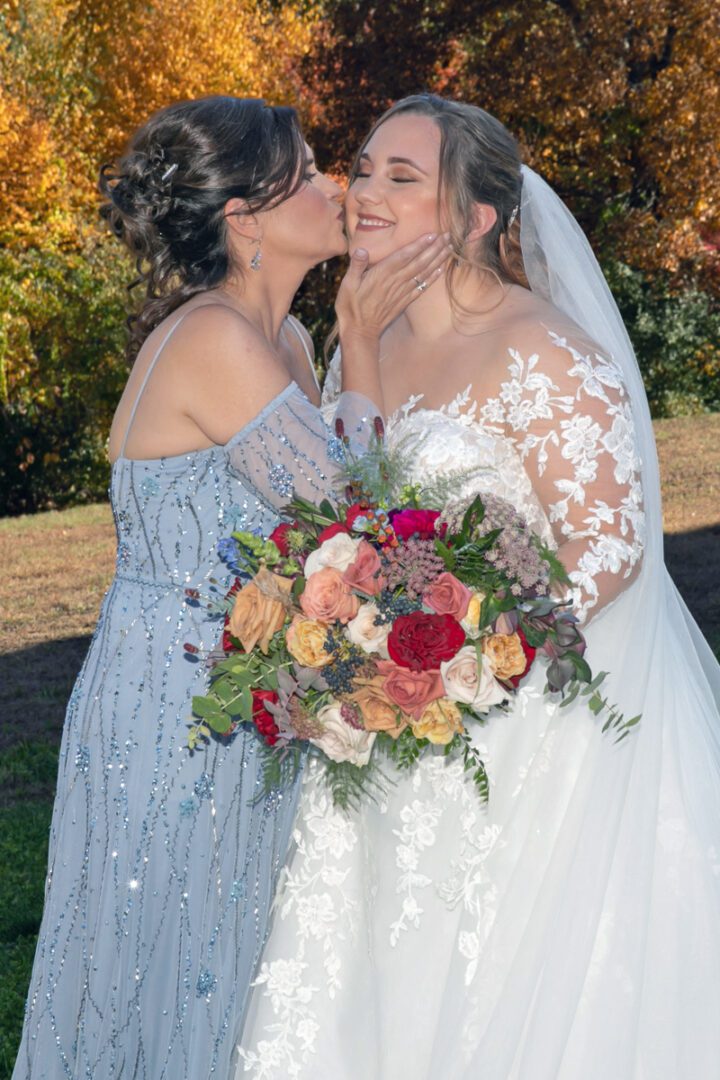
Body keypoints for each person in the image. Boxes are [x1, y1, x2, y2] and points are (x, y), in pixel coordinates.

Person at [237, 95, 720, 1079]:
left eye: (400, 178)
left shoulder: (542, 348)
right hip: (389, 726)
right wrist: (359, 352)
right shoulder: (361, 342)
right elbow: (349, 520)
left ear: (476, 217)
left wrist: (471, 660)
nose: (365, 191)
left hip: (526, 733)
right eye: (363, 168)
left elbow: (613, 549)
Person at [12, 95, 450, 1080]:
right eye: (307, 173)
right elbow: (361, 530)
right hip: (171, 708)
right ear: (244, 218)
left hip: (246, 697)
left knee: (231, 967)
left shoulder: (281, 343)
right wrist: (366, 341)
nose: (338, 188)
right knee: (164, 969)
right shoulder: (215, 341)